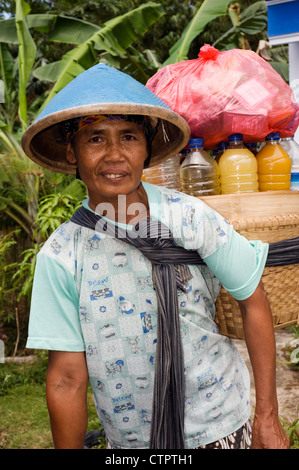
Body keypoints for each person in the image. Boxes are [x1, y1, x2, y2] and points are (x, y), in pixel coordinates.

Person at [22, 63, 289, 450]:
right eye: (95, 139)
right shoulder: (62, 255)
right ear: (71, 151)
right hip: (131, 444)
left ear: (146, 149)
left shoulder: (192, 219)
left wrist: (266, 416)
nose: (115, 154)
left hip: (220, 427)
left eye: (128, 136)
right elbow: (66, 378)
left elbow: (253, 299)